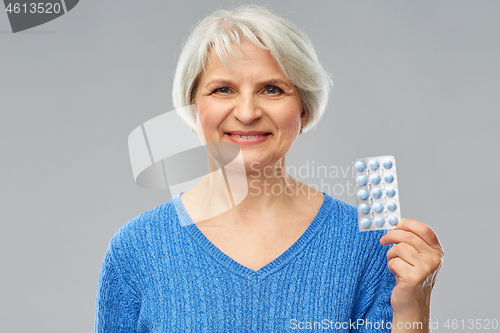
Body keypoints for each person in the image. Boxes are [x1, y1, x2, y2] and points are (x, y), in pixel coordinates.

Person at [94, 5, 444, 332]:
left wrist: (414, 310)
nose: (247, 113)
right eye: (223, 89)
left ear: (303, 110)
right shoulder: (135, 250)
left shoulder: (368, 246)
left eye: (272, 89)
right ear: (192, 109)